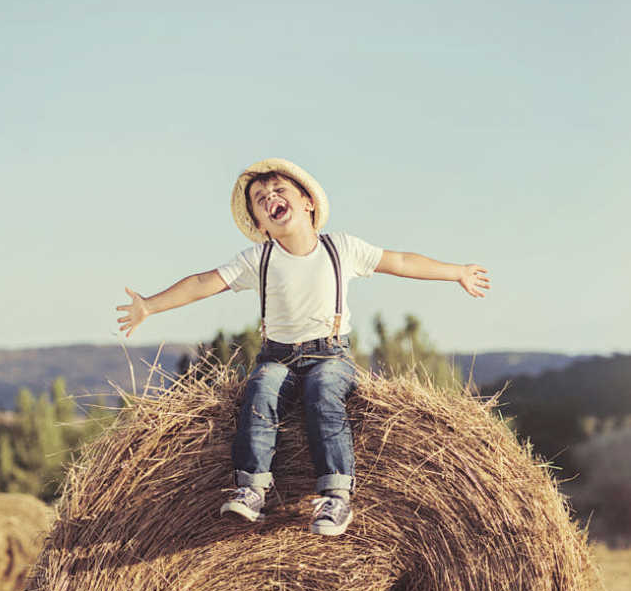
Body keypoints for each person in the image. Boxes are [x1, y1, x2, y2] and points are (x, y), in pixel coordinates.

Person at [117, 157, 490, 536]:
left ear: (308, 202)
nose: (270, 198)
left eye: (279, 190)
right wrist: (149, 305)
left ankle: (336, 496)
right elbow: (203, 281)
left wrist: (456, 272)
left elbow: (401, 261)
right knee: (260, 388)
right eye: (260, 198)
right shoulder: (258, 258)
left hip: (330, 355)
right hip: (276, 356)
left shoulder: (342, 248)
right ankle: (252, 489)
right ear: (260, 224)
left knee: (324, 390)